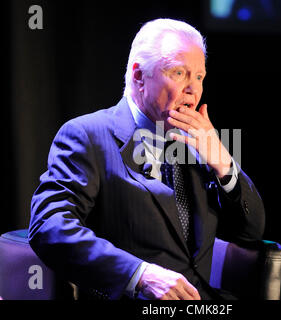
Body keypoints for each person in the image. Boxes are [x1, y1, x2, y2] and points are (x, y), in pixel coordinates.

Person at [28, 18, 265, 300]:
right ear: (139, 76)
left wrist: (224, 164)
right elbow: (50, 226)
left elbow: (252, 233)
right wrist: (139, 274)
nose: (193, 89)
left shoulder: (199, 144)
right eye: (179, 73)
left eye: (199, 76)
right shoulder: (87, 136)